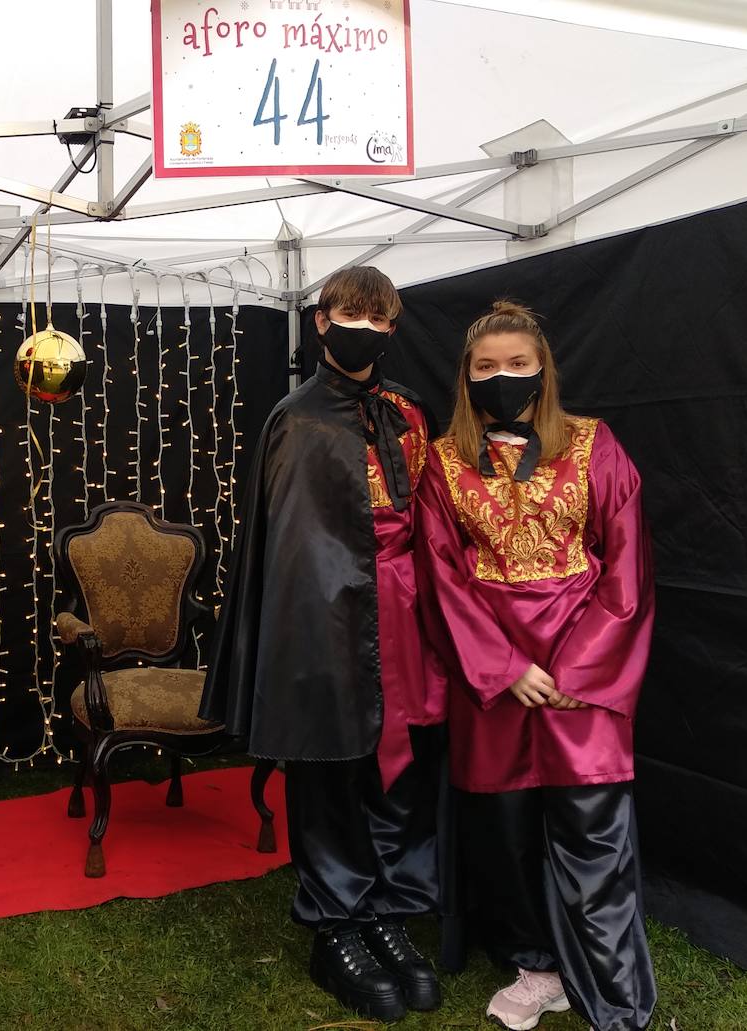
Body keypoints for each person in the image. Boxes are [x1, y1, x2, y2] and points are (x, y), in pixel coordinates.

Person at [200, 266, 445, 1022]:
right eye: (348, 315)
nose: (361, 329)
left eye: (377, 319)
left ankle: (388, 909)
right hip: (325, 616)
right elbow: (288, 542)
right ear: (321, 321)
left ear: (392, 329)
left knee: (401, 764)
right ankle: (336, 919)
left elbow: (430, 515)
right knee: (331, 763)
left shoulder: (410, 412)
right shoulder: (296, 418)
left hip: (406, 613)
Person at [414, 300, 657, 1031]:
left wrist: (584, 672)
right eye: (486, 366)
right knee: (505, 831)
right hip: (493, 674)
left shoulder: (594, 444)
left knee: (594, 832)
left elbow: (628, 563)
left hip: (583, 666)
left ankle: (616, 994)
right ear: (466, 377)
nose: (503, 376)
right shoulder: (442, 463)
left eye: (518, 363)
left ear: (542, 369)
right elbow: (439, 576)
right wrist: (502, 668)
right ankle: (537, 967)